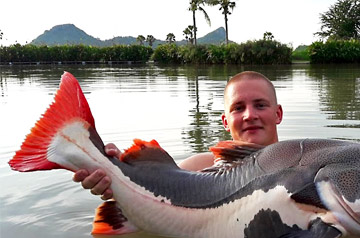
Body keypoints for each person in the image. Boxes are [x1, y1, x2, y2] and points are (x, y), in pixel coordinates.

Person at [73, 71, 283, 200]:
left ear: (278, 114)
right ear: (226, 122)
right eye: (238, 108)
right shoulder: (200, 167)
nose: (249, 115)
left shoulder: (308, 164)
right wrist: (116, 173)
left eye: (260, 105)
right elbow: (153, 192)